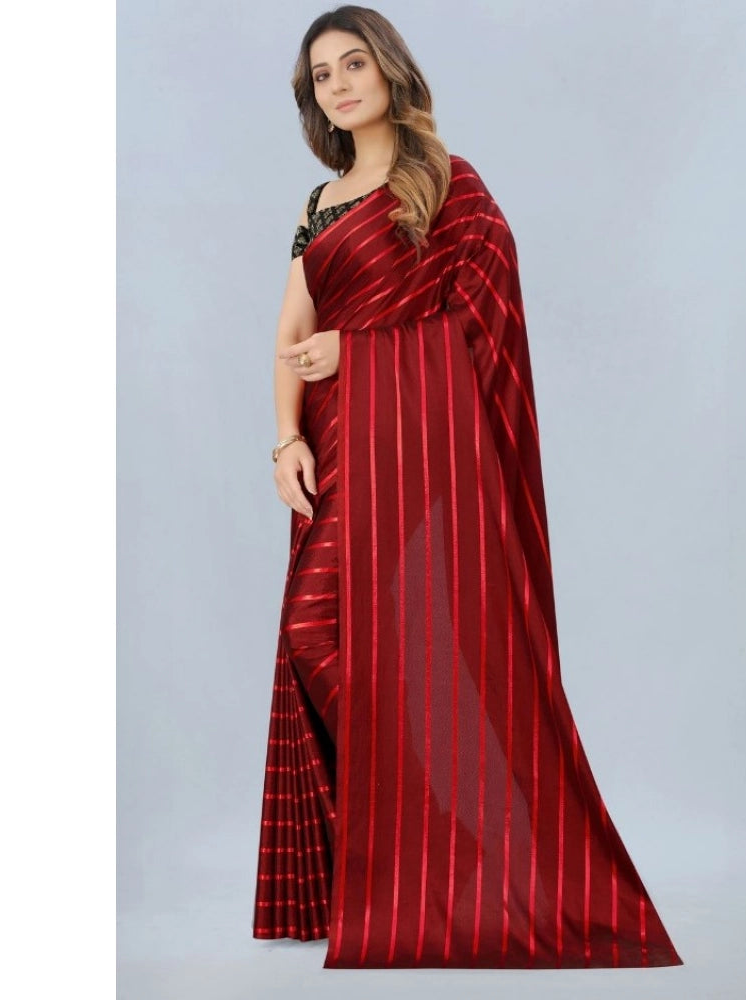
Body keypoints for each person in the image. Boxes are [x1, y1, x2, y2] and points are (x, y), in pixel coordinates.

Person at [252, 5, 684, 971]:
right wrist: (285, 438)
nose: (339, 84)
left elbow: (487, 328)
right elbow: (290, 330)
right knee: (317, 637)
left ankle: (438, 842)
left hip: (421, 451)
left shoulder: (449, 184)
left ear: (390, 70)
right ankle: (411, 830)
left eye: (353, 63)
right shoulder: (320, 202)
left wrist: (362, 354)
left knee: (421, 643)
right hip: (339, 446)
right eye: (321, 75)